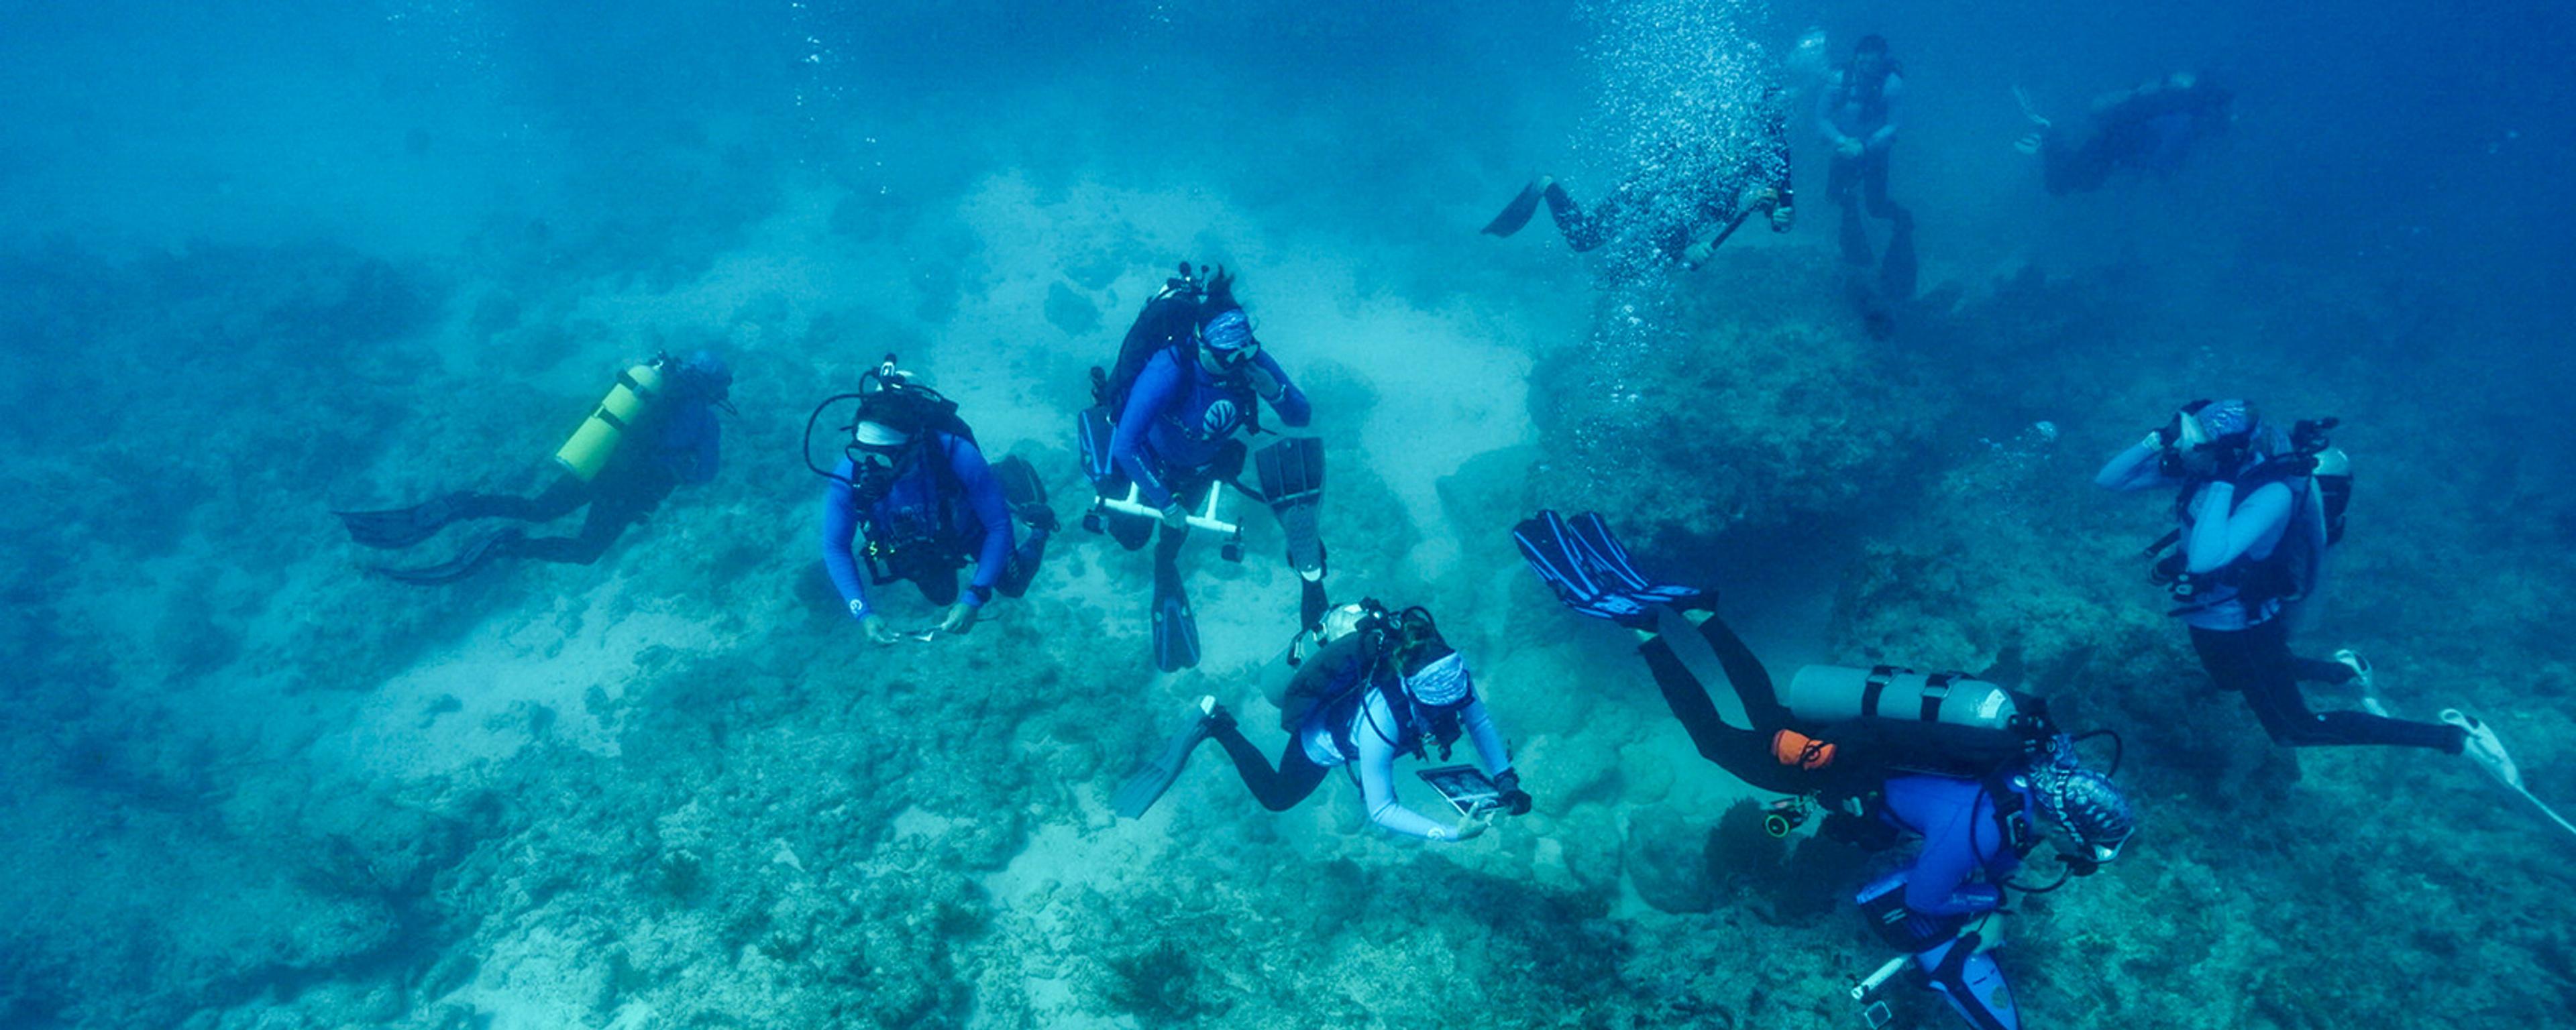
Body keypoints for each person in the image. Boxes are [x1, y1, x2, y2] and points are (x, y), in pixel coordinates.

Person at [1515, 510, 2134, 1030]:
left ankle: (1704, 614)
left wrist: (1992, 888)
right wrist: (1988, 900)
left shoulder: (2038, 767)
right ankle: (1646, 630)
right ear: (2068, 830)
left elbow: (2000, 849)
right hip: (1834, 771)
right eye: (2091, 853)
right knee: (1712, 741)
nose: (2084, 864)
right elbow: (1925, 894)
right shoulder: (1986, 829)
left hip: (1859, 737)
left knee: (1767, 713)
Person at [2094, 400, 2520, 777]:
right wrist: (2157, 439)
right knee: (2229, 681)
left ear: (2226, 453)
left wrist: (2222, 476)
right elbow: (2109, 480)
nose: (2183, 451)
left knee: (2293, 729)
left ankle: (2454, 738)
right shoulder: (2205, 472)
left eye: (2192, 443)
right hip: (2204, 615)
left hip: (2242, 624)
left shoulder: (2270, 493)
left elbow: (2207, 558)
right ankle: (2344, 672)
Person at [1114, 602, 1531, 843]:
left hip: (1361, 722)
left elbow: (1478, 719)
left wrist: (1506, 779)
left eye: (1454, 703)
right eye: (1441, 709)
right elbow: (1382, 808)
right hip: (1319, 743)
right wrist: (1450, 833)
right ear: (1414, 691)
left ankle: (1311, 585)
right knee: (1278, 797)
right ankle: (1218, 724)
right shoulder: (1381, 721)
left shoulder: (1448, 672)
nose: (1453, 711)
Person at [1079, 265, 1320, 671]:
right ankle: (1095, 432)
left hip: (1202, 466)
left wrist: (1271, 388)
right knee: (1132, 536)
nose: (1242, 361)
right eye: (1232, 355)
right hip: (1150, 461)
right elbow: (1127, 445)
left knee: (1175, 537)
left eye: (1248, 350)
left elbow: (1300, 416)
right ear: (1203, 345)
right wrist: (1164, 503)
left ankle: (1165, 569)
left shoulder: (1249, 359)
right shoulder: (1171, 369)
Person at [334, 351, 731, 583]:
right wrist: (680, 465)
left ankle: (465, 505)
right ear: (714, 387)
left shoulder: (649, 388)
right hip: (627, 491)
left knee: (539, 509)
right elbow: (706, 475)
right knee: (586, 550)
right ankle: (509, 546)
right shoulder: (707, 420)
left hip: (596, 463)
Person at [814, 358, 1053, 644]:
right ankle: (989, 489)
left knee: (1013, 584)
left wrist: (975, 597)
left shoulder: (957, 455)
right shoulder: (850, 473)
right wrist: (862, 612)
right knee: (943, 596)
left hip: (968, 525)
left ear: (912, 447)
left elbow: (998, 527)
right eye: (862, 453)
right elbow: (835, 546)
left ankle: (1032, 513)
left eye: (883, 457)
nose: (870, 468)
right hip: (923, 534)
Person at [1483, 87, 1796, 268]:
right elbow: (1676, 204)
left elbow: (1780, 201)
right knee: (1584, 239)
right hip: (1647, 190)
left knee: (1634, 267)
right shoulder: (1715, 149)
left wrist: (1778, 214)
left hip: (1674, 215)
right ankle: (1546, 186)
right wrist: (1686, 247)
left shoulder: (1769, 148)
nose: (1763, 135)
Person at [1818, 34, 1915, 334]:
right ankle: (1855, 249)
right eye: (1862, 61)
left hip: (1874, 151)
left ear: (1882, 62)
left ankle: (1902, 221)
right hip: (1845, 146)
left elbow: (1894, 124)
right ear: (1855, 58)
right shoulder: (1838, 79)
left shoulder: (1892, 85)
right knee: (1835, 196)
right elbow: (1821, 116)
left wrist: (1867, 145)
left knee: (1875, 207)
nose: (1866, 68)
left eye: (1873, 63)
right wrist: (1841, 141)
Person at [2016, 72, 2233, 195]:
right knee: (2061, 185)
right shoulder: (2184, 118)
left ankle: (2051, 134)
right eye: (2218, 120)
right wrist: (2160, 171)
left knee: (2080, 183)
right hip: (2113, 143)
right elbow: (2164, 154)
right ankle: (2047, 130)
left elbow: (2156, 144)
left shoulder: (2184, 113)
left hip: (2115, 146)